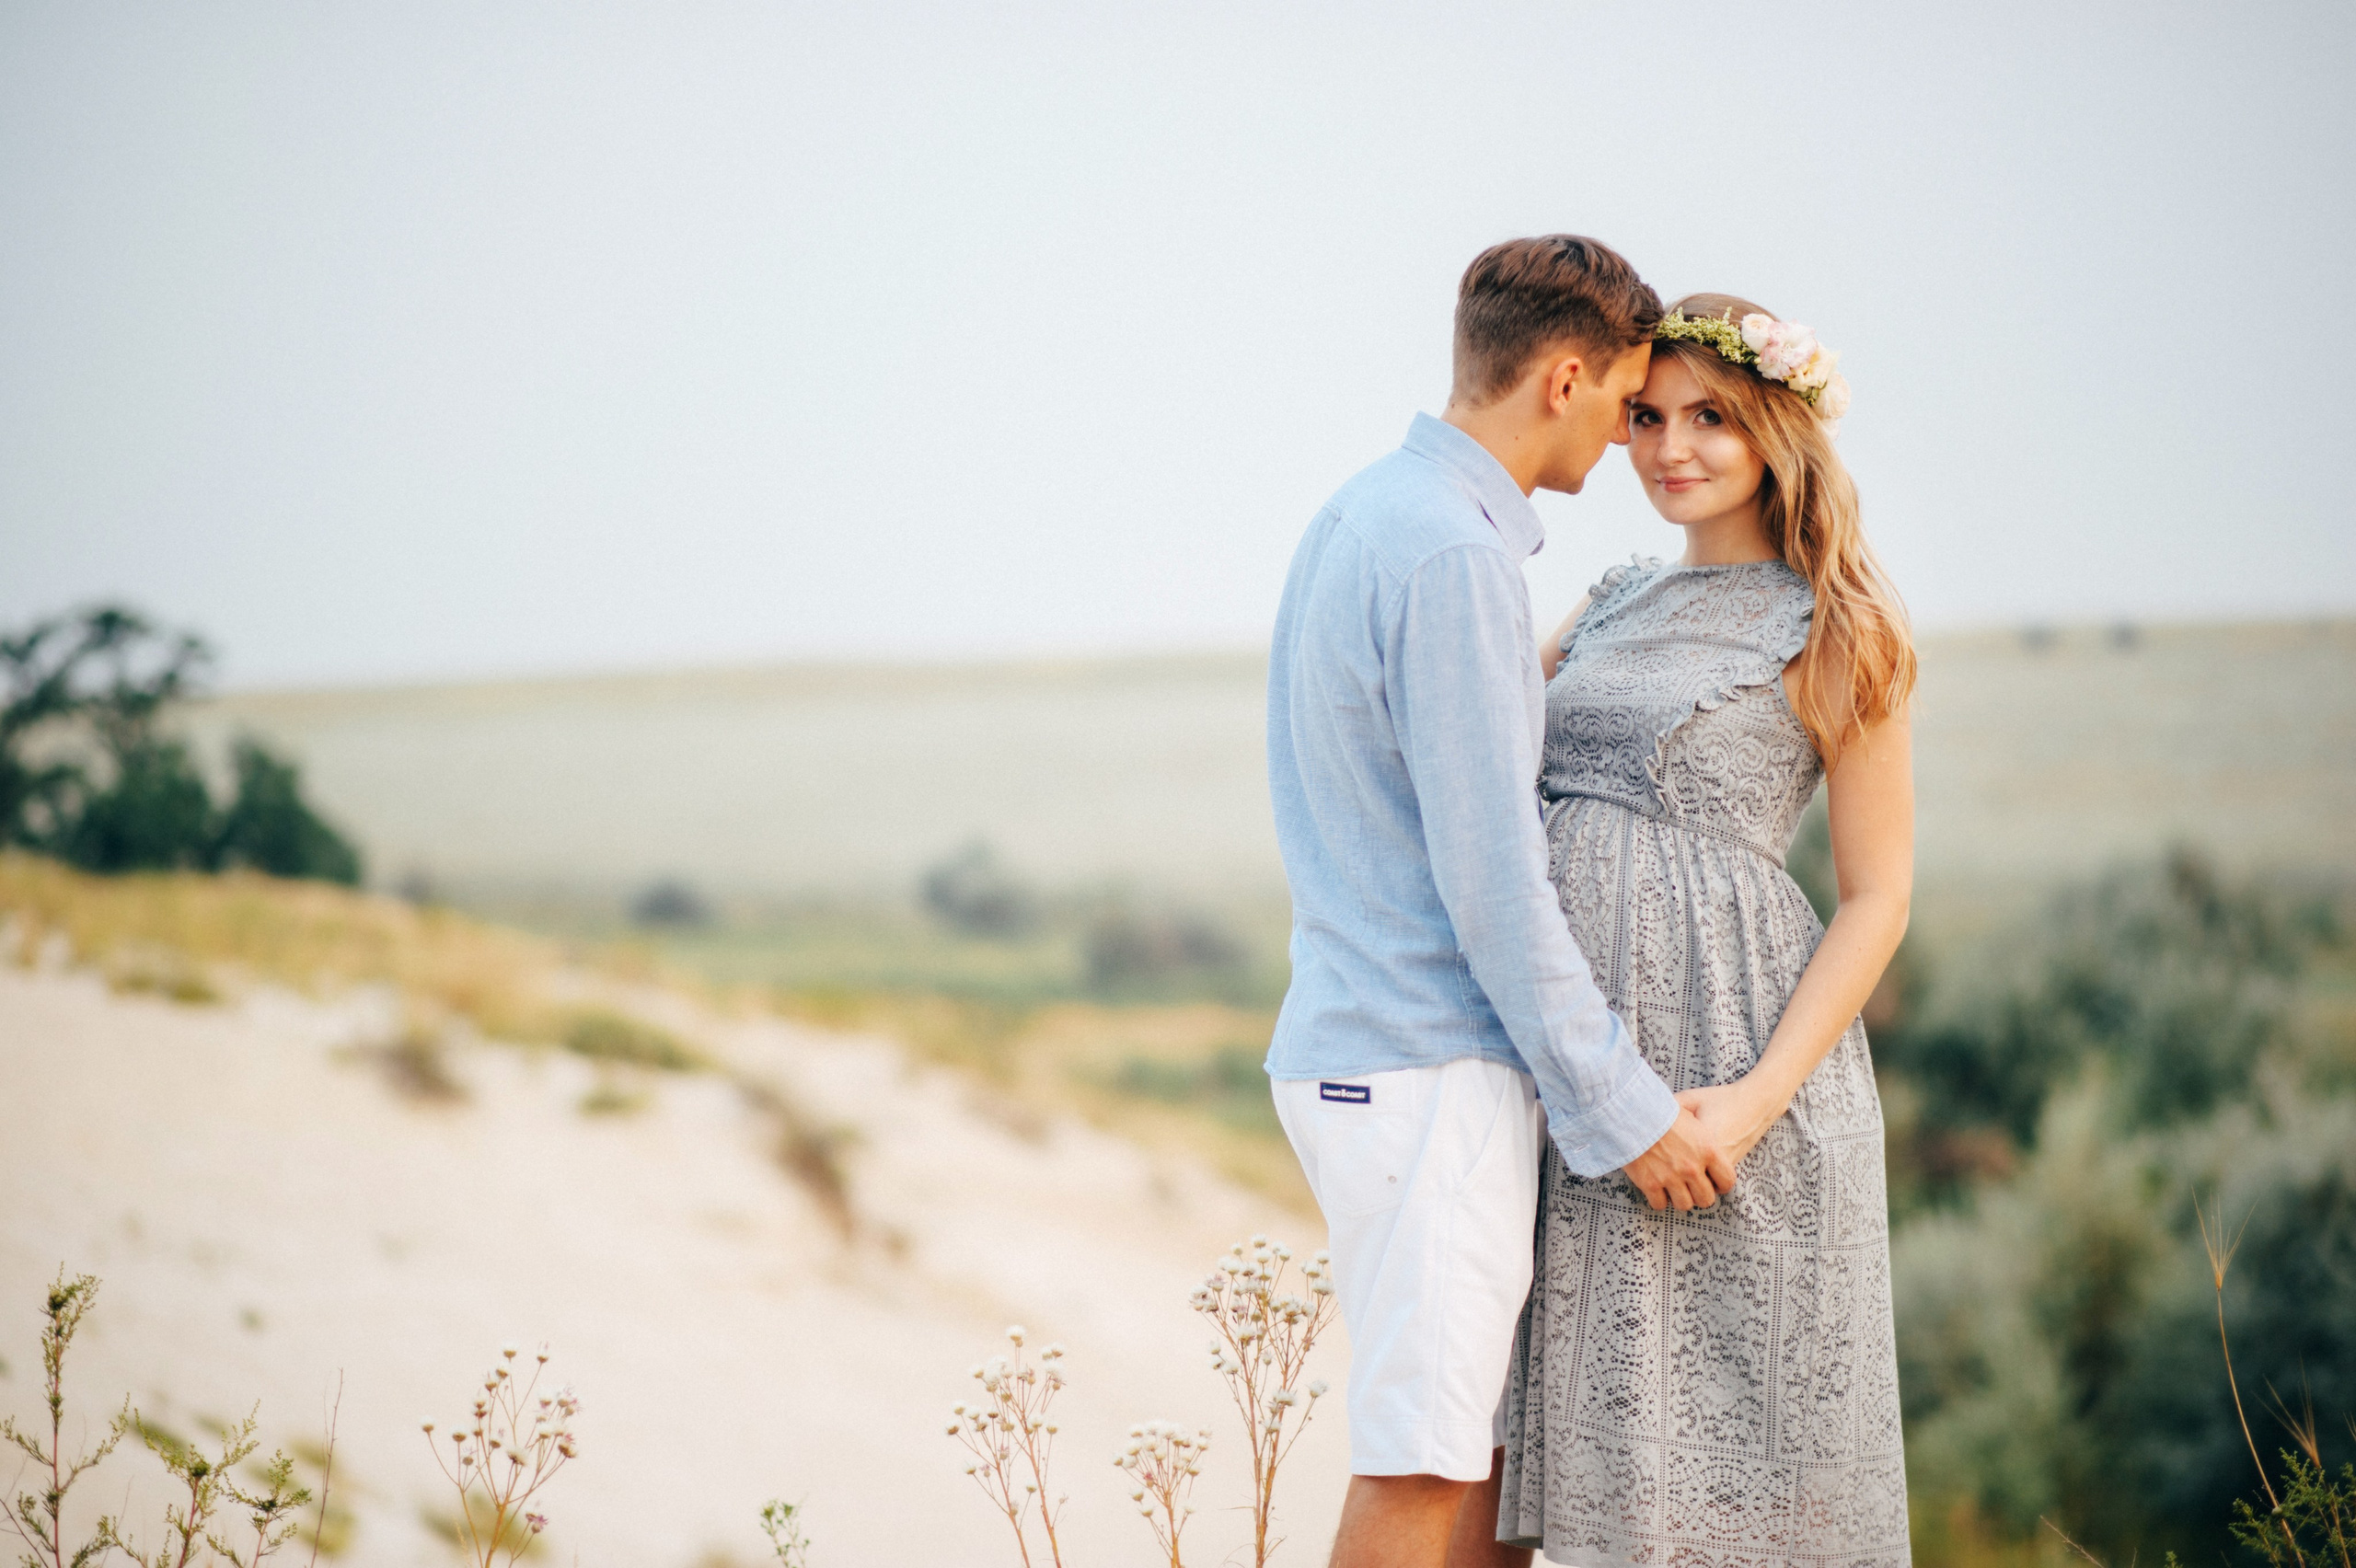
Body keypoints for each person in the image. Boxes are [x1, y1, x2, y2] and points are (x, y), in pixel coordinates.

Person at [1264, 236, 1738, 1568]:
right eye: (1627, 402)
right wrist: (1626, 1110)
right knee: (1425, 1468)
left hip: (1371, 1052)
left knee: (1469, 1462)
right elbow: (1493, 884)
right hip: (1425, 1063)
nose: (1634, 437)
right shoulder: (1456, 556)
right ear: (1566, 374)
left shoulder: (1369, 512)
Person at [1493, 295, 1916, 1568]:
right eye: (1649, 418)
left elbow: (1877, 895)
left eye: (1711, 419)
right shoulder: (1613, 597)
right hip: (1584, 1067)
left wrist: (1748, 1102)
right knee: (1557, 1439)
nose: (1673, 447)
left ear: (1775, 430)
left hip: (1734, 1079)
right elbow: (1491, 765)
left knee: (1753, 1469)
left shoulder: (1839, 623)